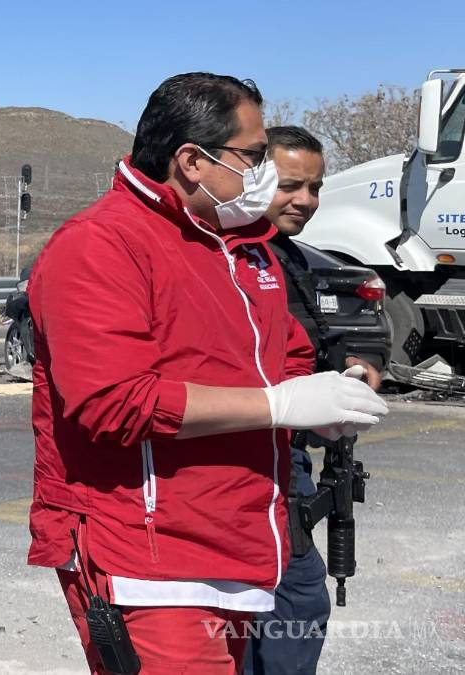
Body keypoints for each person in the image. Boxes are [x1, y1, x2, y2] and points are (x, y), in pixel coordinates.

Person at [27, 72, 390, 674]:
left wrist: (332, 396)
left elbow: (287, 356)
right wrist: (279, 407)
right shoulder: (101, 245)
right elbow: (114, 403)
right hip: (150, 557)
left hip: (241, 539)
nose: (266, 175)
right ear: (192, 161)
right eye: (252, 157)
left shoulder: (239, 245)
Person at [244, 126, 384, 675]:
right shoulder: (233, 256)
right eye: (289, 185)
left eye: (315, 187)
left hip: (291, 456)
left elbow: (319, 342)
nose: (305, 200)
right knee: (287, 606)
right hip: (250, 458)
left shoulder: (292, 258)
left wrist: (352, 372)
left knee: (297, 605)